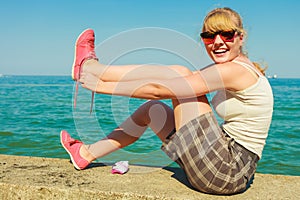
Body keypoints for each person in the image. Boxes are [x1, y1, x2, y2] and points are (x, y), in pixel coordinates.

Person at [60, 7, 273, 195]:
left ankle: (92, 69)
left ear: (240, 37)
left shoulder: (236, 71)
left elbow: (160, 89)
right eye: (209, 36)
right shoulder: (233, 67)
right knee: (153, 110)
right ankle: (85, 153)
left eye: (226, 34)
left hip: (227, 170)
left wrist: (101, 86)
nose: (217, 42)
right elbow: (166, 78)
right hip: (220, 166)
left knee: (180, 80)